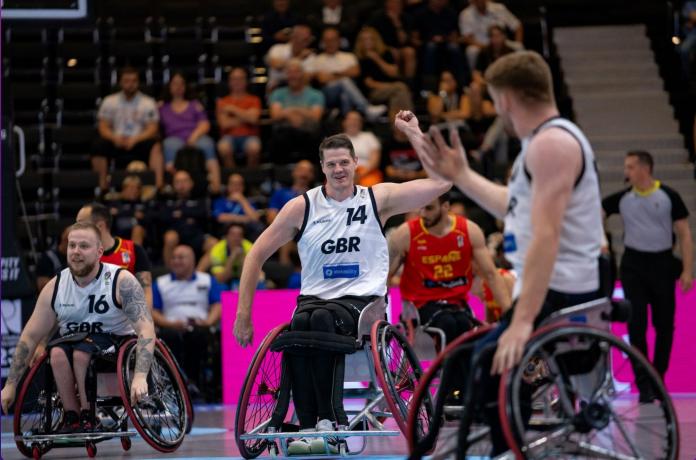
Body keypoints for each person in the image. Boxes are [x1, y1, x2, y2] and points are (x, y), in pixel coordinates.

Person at [401, 51, 604, 454]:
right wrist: (461, 176)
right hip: (553, 286)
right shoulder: (542, 144)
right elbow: (513, 205)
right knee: (483, 361)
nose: (496, 109)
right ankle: (508, 444)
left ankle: (508, 447)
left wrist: (520, 321)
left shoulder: (552, 144)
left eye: (495, 99)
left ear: (507, 99)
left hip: (562, 291)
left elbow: (546, 236)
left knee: (488, 362)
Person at [233, 124, 450, 455]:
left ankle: (328, 421)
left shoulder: (377, 199)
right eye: (331, 164)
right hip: (314, 300)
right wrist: (243, 314)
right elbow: (256, 255)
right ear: (322, 167)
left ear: (355, 163)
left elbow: (441, 183)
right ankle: (306, 425)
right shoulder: (301, 207)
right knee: (299, 326)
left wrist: (415, 133)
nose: (338, 170)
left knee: (320, 319)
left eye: (344, 163)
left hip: (364, 303)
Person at [0, 222, 155, 431]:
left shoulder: (121, 280)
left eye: (84, 246)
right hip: (74, 346)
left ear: (100, 251)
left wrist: (139, 376)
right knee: (55, 352)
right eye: (72, 246)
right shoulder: (55, 286)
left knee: (81, 353)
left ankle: (88, 414)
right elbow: (29, 337)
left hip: (116, 347)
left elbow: (146, 329)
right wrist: (10, 386)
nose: (76, 252)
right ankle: (72, 416)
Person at [602, 150, 693, 401]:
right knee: (636, 324)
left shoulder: (668, 196)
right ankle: (643, 382)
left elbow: (684, 233)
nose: (626, 172)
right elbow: (598, 211)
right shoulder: (623, 198)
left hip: (662, 264)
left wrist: (687, 269)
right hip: (633, 265)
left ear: (645, 169)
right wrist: (602, 239)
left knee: (664, 326)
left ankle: (658, 376)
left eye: (630, 167)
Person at [388, 193, 510, 343]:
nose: (422, 213)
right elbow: (384, 277)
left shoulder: (468, 231)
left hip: (457, 303)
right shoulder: (405, 234)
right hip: (420, 306)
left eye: (429, 208)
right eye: (421, 208)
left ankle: (456, 366)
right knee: (448, 323)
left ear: (445, 207)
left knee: (463, 324)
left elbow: (491, 274)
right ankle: (448, 366)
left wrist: (510, 313)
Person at [153, 245, 222, 395]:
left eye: (181, 257)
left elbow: (217, 306)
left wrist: (208, 322)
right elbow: (153, 311)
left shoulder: (207, 280)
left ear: (192, 260)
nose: (176, 261)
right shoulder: (161, 282)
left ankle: (193, 381)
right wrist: (169, 323)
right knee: (169, 337)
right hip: (170, 326)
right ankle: (175, 382)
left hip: (200, 326)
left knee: (199, 336)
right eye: (174, 258)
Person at [92, 66, 164, 191]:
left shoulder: (148, 102)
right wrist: (114, 138)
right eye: (127, 81)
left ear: (138, 82)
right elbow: (103, 127)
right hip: (116, 140)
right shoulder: (110, 101)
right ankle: (102, 187)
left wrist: (136, 139)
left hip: (139, 140)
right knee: (98, 145)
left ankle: (158, 187)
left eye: (134, 81)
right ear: (121, 82)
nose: (130, 84)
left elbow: (153, 128)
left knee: (156, 146)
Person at [158, 72, 221, 193]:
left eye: (181, 84)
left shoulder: (194, 105)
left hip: (195, 136)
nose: (178, 87)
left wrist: (194, 136)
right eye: (175, 84)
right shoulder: (162, 107)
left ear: (185, 86)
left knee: (207, 144)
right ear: (169, 86)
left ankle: (216, 186)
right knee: (169, 145)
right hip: (174, 138)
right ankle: (174, 185)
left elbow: (205, 124)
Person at [307, 27, 386, 120]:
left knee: (345, 94)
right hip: (328, 94)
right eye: (327, 40)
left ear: (339, 41)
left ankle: (347, 121)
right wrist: (344, 73)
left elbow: (356, 72)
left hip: (347, 91)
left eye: (333, 40)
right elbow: (322, 79)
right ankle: (366, 108)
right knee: (345, 81)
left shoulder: (349, 56)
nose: (330, 43)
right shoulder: (318, 59)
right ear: (323, 42)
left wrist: (332, 74)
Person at [269, 59, 325, 163]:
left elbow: (315, 117)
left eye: (296, 72)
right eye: (290, 72)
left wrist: (290, 111)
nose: (293, 76)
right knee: (277, 139)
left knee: (317, 138)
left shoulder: (316, 94)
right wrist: (302, 113)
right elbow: (275, 115)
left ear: (303, 75)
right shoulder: (277, 93)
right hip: (284, 133)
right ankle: (279, 175)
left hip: (308, 133)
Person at [354, 26, 414, 120]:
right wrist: (392, 86)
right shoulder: (361, 59)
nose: (367, 42)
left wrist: (377, 59)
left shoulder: (385, 53)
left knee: (397, 95)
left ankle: (397, 128)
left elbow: (394, 72)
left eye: (370, 39)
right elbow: (369, 83)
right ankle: (410, 123)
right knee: (401, 88)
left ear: (376, 40)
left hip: (392, 88)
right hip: (374, 92)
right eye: (364, 39)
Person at [158, 170, 216, 266]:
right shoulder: (167, 201)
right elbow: (162, 217)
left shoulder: (200, 199)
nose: (181, 185)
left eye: (185, 181)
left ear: (191, 183)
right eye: (178, 182)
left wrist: (181, 213)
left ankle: (198, 273)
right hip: (176, 234)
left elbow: (204, 213)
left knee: (214, 244)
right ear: (173, 185)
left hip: (196, 235)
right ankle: (170, 274)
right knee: (170, 237)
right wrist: (189, 214)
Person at [411, 0, 468, 86]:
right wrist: (428, 41)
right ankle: (429, 83)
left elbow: (455, 36)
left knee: (454, 48)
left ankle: (462, 83)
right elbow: (414, 39)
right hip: (426, 45)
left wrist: (446, 39)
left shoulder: (450, 13)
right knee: (431, 47)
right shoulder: (420, 14)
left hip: (447, 43)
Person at [216, 68, 263, 169]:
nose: (237, 82)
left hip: (250, 136)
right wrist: (246, 116)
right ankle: (234, 178)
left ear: (246, 81)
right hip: (229, 136)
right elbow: (224, 124)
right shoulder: (223, 102)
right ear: (229, 82)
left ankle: (251, 178)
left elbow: (254, 119)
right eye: (234, 79)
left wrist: (233, 110)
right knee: (223, 147)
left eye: (240, 79)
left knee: (254, 148)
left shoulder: (254, 100)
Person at [459, 0, 523, 72]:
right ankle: (475, 76)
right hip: (481, 45)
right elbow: (468, 38)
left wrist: (518, 42)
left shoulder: (499, 8)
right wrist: (487, 48)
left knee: (518, 47)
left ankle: (519, 75)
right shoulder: (465, 14)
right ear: (471, 1)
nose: (479, 1)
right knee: (471, 51)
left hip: (502, 42)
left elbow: (517, 26)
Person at [367, 0, 417, 79]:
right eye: (393, 2)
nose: (395, 5)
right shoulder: (377, 17)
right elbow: (371, 34)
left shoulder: (406, 18)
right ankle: (395, 78)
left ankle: (408, 81)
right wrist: (387, 48)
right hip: (381, 46)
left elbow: (403, 41)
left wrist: (396, 23)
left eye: (398, 3)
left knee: (409, 52)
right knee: (392, 53)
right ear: (387, 4)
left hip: (400, 48)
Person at [199, 223, 255, 289]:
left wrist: (242, 259)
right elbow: (221, 279)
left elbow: (249, 278)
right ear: (226, 236)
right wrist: (232, 257)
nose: (236, 238)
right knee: (220, 286)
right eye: (233, 234)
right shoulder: (217, 250)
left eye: (239, 235)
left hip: (241, 279)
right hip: (225, 280)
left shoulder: (250, 248)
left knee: (259, 282)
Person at [211, 173, 263, 239]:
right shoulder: (220, 201)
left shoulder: (249, 202)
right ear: (228, 186)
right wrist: (244, 219)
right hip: (226, 233)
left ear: (243, 187)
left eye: (239, 184)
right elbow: (221, 217)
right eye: (233, 184)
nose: (236, 187)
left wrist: (242, 200)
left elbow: (254, 218)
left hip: (247, 234)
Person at [266, 24, 317, 91]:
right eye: (304, 39)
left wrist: (285, 68)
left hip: (300, 93)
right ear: (293, 37)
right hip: (276, 90)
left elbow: (306, 80)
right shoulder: (277, 49)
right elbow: (277, 65)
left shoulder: (311, 56)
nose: (307, 43)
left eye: (308, 39)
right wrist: (299, 58)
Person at [342, 111, 383, 186]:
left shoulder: (369, 137)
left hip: (367, 172)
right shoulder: (337, 139)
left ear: (361, 123)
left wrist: (360, 174)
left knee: (370, 191)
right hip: (342, 172)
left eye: (357, 120)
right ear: (344, 122)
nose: (353, 122)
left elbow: (375, 161)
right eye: (350, 119)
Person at [108, 175, 148, 246]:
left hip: (138, 233)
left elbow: (147, 217)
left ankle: (134, 256)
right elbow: (111, 213)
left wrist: (120, 212)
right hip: (118, 233)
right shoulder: (115, 203)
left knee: (137, 229)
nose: (134, 191)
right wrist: (133, 213)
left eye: (137, 188)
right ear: (124, 189)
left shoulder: (143, 204)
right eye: (131, 188)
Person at [36, 226, 69, 292]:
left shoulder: (78, 257)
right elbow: (41, 284)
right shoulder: (48, 257)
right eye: (73, 244)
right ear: (65, 241)